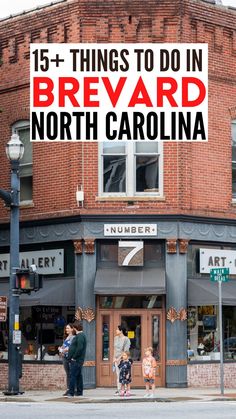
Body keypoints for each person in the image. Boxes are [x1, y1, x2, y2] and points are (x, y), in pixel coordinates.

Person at [67, 321, 87, 398]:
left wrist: (73, 357)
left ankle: (71, 392)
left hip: (76, 360)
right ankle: (79, 392)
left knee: (73, 376)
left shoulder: (80, 336)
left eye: (74, 328)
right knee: (78, 376)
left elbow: (79, 348)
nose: (73, 330)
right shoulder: (80, 335)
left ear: (75, 328)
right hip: (77, 360)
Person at [113, 325, 131, 394]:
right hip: (116, 359)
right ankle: (119, 389)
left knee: (124, 374)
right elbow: (114, 349)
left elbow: (125, 351)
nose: (116, 330)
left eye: (117, 329)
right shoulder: (115, 338)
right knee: (118, 375)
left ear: (121, 331)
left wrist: (119, 358)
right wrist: (114, 358)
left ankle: (125, 389)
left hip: (123, 359)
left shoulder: (126, 339)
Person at [58, 323, 75, 396]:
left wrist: (63, 350)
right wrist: (60, 349)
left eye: (68, 328)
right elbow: (63, 346)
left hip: (70, 357)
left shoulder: (73, 337)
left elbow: (71, 347)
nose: (66, 330)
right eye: (66, 328)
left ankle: (72, 389)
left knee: (71, 374)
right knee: (68, 374)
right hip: (64, 357)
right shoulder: (66, 337)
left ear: (72, 329)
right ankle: (68, 389)